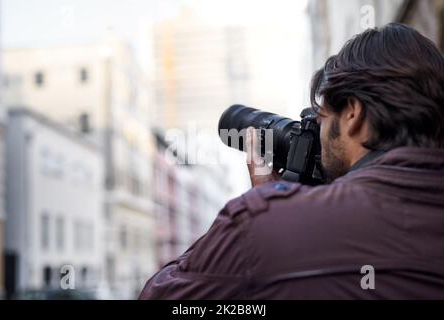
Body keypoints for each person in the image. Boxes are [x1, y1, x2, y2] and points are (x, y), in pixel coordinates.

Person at [140, 23, 444, 299]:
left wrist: (264, 205)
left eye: (321, 118)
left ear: (353, 113)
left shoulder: (264, 226)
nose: (319, 135)